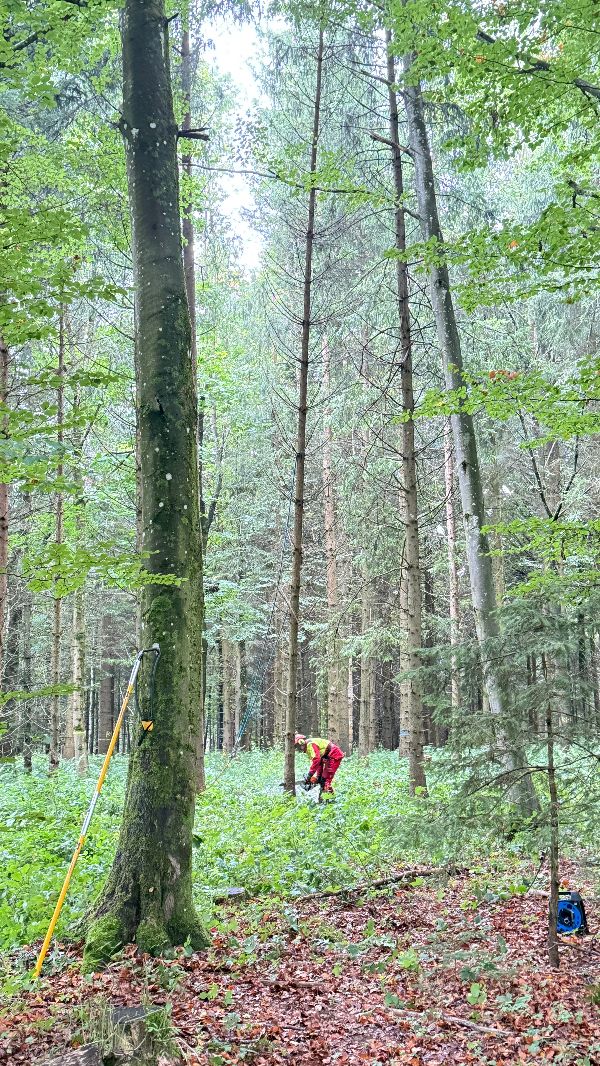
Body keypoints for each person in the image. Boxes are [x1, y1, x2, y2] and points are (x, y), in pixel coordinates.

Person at [294, 734, 344, 800]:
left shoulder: (310, 745)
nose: (298, 749)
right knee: (322, 779)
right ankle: (327, 799)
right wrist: (318, 776)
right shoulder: (308, 749)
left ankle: (328, 801)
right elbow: (319, 763)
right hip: (328, 757)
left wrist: (310, 775)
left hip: (334, 755)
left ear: (301, 743)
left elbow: (316, 760)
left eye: (297, 746)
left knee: (326, 780)